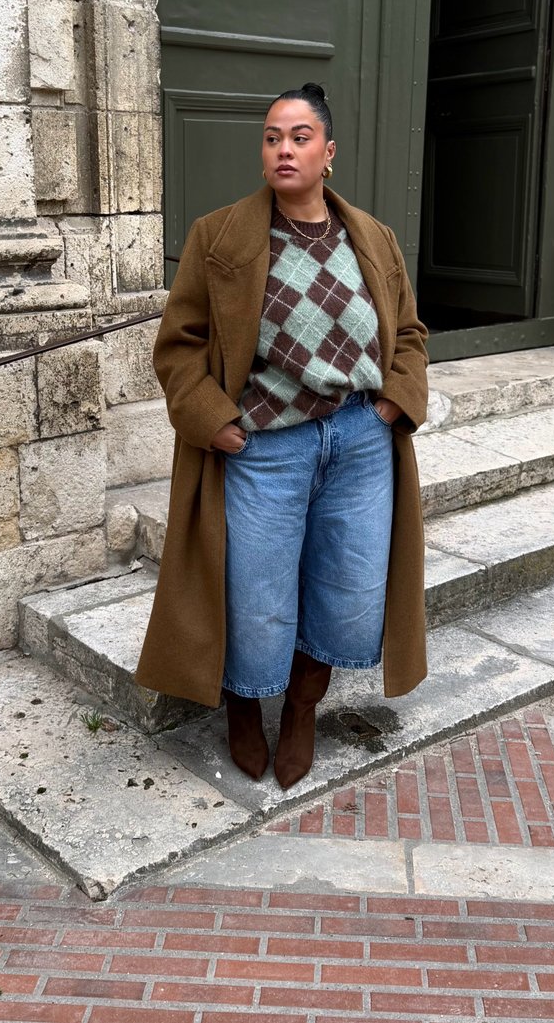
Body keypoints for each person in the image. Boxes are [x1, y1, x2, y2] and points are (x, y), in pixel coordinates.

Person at [134, 82, 429, 788]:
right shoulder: (221, 236)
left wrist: (390, 406)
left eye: (299, 137)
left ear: (328, 153)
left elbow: (410, 336)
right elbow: (179, 348)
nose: (283, 149)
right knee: (255, 597)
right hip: (266, 449)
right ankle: (243, 704)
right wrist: (219, 424)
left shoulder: (374, 237)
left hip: (360, 443)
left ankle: (301, 707)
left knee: (350, 589)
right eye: (272, 137)